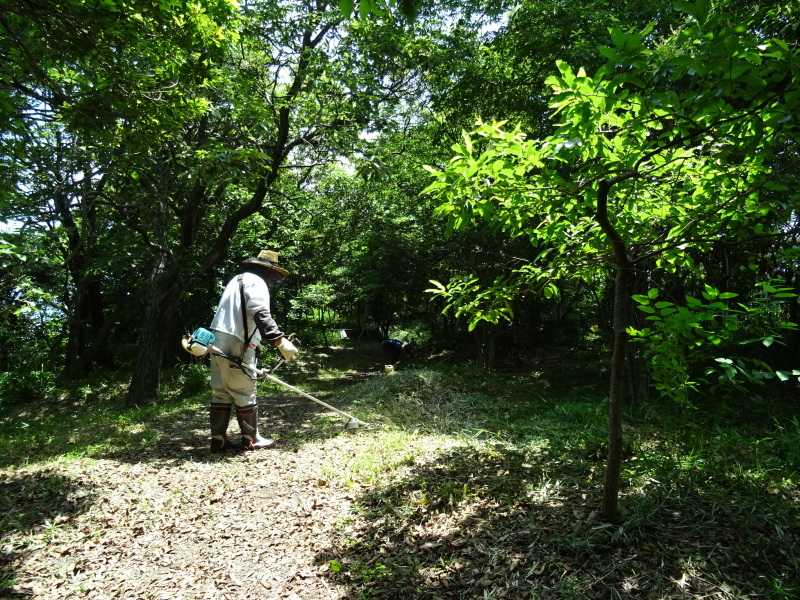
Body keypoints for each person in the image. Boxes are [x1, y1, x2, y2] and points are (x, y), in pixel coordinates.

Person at [208, 250, 298, 452]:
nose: (274, 279)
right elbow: (259, 311)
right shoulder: (256, 283)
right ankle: (251, 438)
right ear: (266, 270)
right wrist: (280, 341)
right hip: (238, 341)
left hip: (216, 339)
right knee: (245, 391)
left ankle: (218, 439)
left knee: (221, 391)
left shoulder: (236, 280)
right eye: (273, 274)